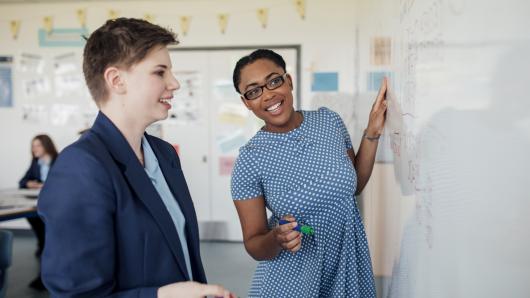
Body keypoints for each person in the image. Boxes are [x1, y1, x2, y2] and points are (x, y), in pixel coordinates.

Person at [38, 18, 233, 298]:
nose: (174, 83)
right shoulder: (81, 168)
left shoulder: (164, 155)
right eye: (160, 72)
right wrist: (160, 296)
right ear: (117, 81)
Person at [230, 49, 387, 297]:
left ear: (289, 81)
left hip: (347, 265)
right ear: (247, 102)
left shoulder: (329, 122)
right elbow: (253, 243)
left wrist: (373, 131)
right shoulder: (250, 159)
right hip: (294, 281)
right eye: (254, 91)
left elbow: (353, 185)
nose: (268, 94)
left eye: (273, 81)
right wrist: (277, 238)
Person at [18, 134, 58, 291]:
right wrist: (30, 183)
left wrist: (44, 185)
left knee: (45, 227)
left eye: (37, 145)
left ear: (47, 146)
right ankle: (42, 243)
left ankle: (44, 247)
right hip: (38, 204)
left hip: (54, 205)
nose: (34, 149)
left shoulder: (60, 160)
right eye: (33, 146)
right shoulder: (36, 163)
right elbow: (22, 182)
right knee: (33, 218)